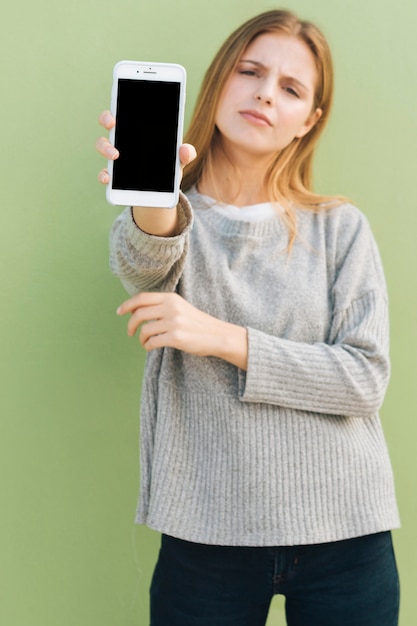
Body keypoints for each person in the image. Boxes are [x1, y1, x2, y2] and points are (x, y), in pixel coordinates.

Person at [96, 9, 400, 626]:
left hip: (347, 532)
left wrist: (224, 339)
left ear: (307, 121)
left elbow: (365, 379)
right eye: (250, 71)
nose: (265, 92)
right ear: (218, 82)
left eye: (291, 88)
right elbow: (148, 264)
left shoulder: (339, 228)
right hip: (205, 533)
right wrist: (154, 198)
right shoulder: (175, 220)